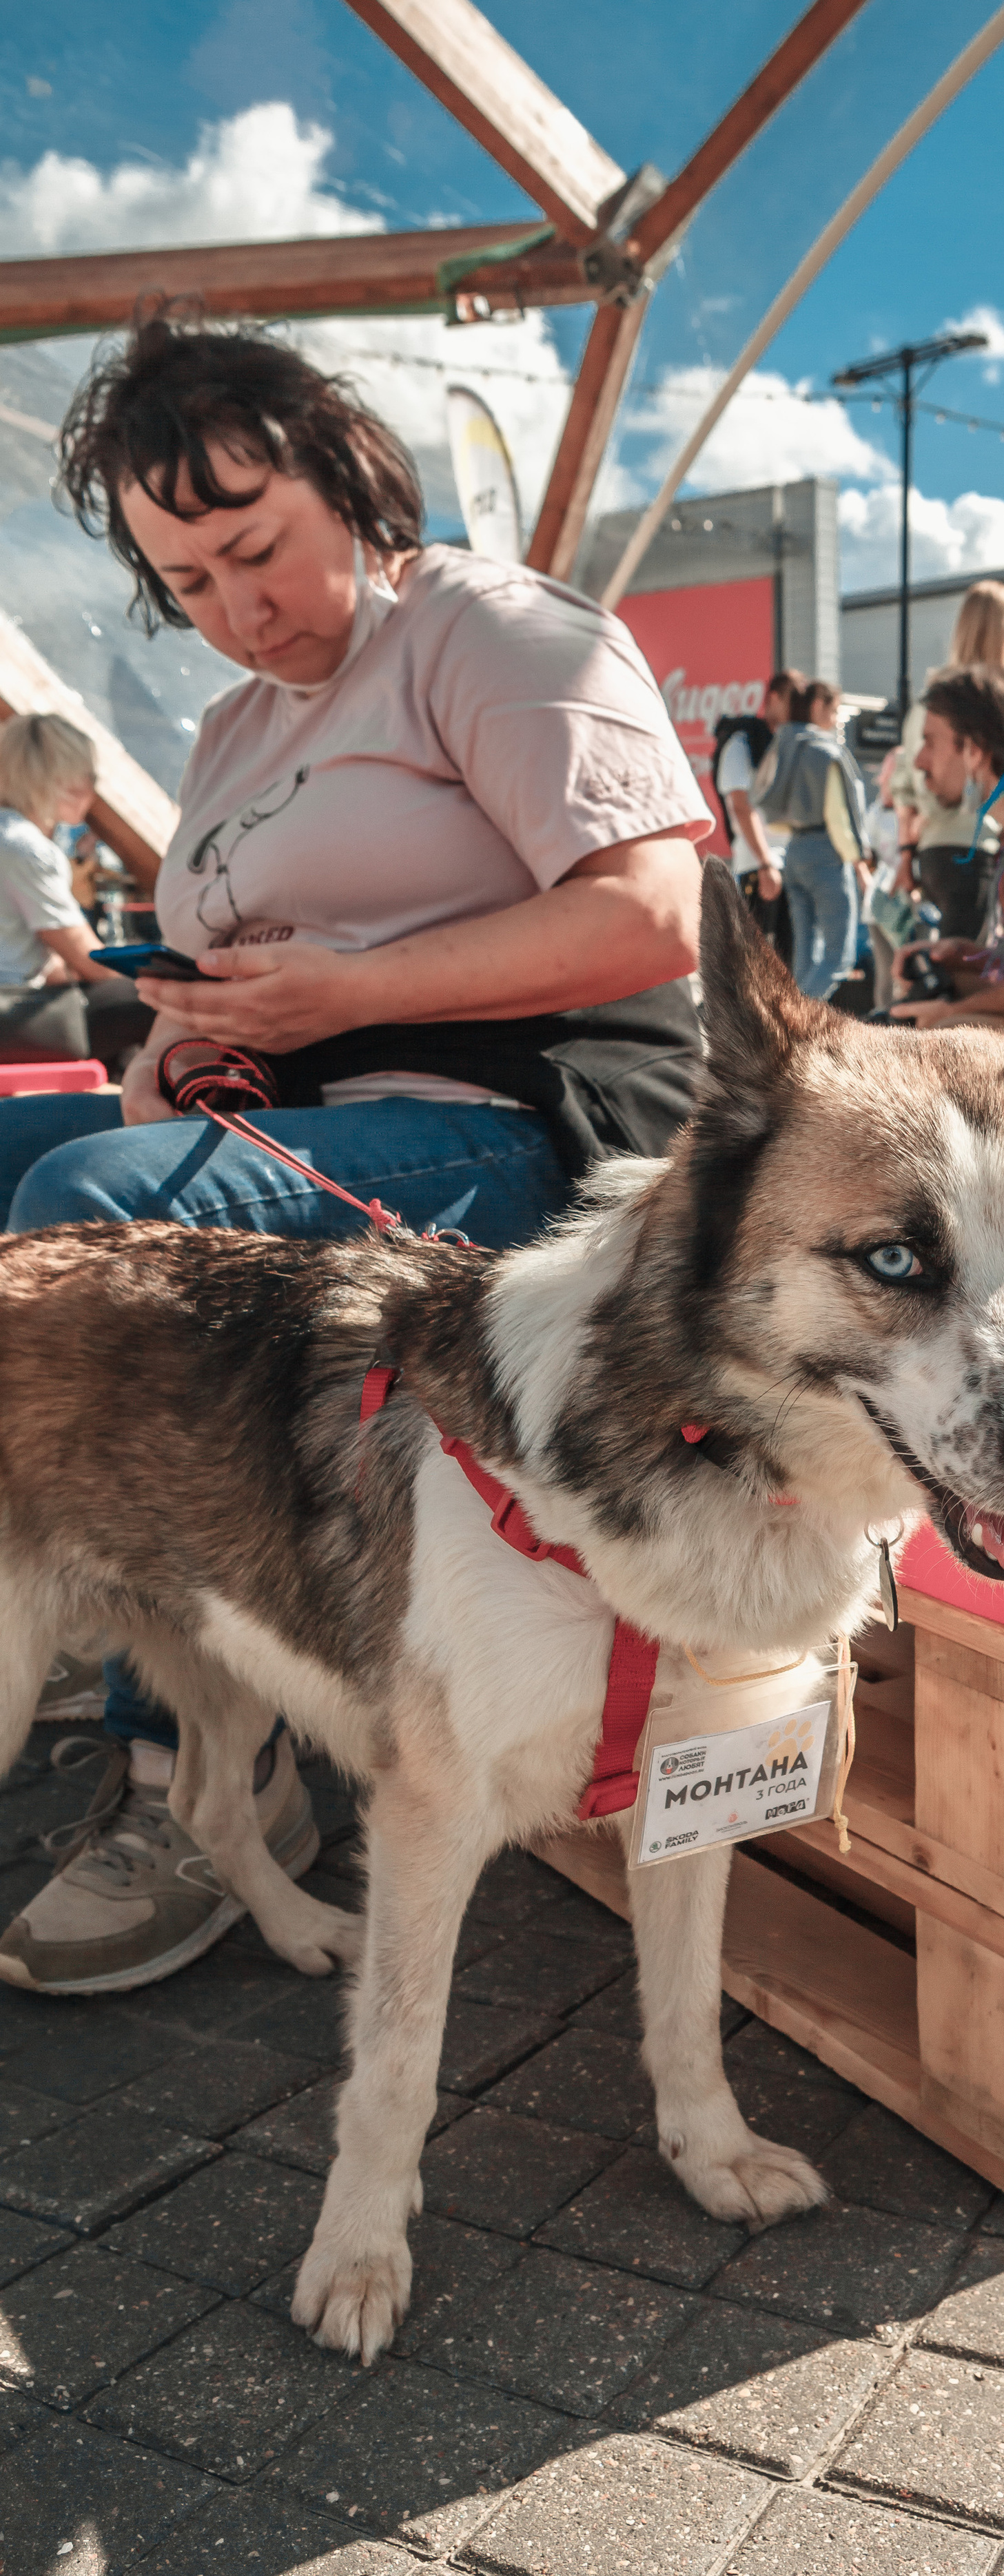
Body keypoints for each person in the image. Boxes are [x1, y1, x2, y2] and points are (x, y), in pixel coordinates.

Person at [0, 311, 709, 1998]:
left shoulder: (486, 625)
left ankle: (191, 1776)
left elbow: (651, 913)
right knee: (35, 1178)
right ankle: (174, 1664)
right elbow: (243, 975)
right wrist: (188, 1044)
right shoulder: (240, 727)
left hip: (522, 1130)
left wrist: (345, 992)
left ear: (348, 480)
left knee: (82, 1223)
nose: (238, 608)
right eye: (185, 582)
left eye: (258, 546)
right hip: (311, 1120)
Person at [0, 714, 154, 1069]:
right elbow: (93, 964)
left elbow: (47, 961)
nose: (94, 788)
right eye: (90, 774)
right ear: (63, 780)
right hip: (12, 1016)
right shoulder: (27, 848)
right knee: (150, 1000)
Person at [886, 663, 1004, 1029]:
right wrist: (972, 958)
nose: (919, 761)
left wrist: (949, 1017)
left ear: (974, 750)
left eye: (931, 742)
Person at [890, 579, 1004, 931]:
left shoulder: (931, 699)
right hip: (976, 850)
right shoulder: (997, 700)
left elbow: (905, 785)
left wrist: (906, 855)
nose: (924, 759)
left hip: (933, 853)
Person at [753, 679, 872, 1000]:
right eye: (834, 711)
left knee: (805, 951)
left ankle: (789, 1020)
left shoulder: (784, 745)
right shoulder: (825, 753)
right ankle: (796, 1027)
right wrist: (860, 864)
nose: (835, 720)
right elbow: (839, 817)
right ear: (818, 706)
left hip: (794, 850)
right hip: (826, 854)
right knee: (838, 956)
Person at [712, 669, 797, 969]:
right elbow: (741, 807)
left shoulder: (789, 746)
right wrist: (765, 862)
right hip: (760, 866)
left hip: (792, 866)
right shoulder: (742, 743)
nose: (797, 709)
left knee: (790, 966)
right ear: (772, 699)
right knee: (754, 964)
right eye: (792, 701)